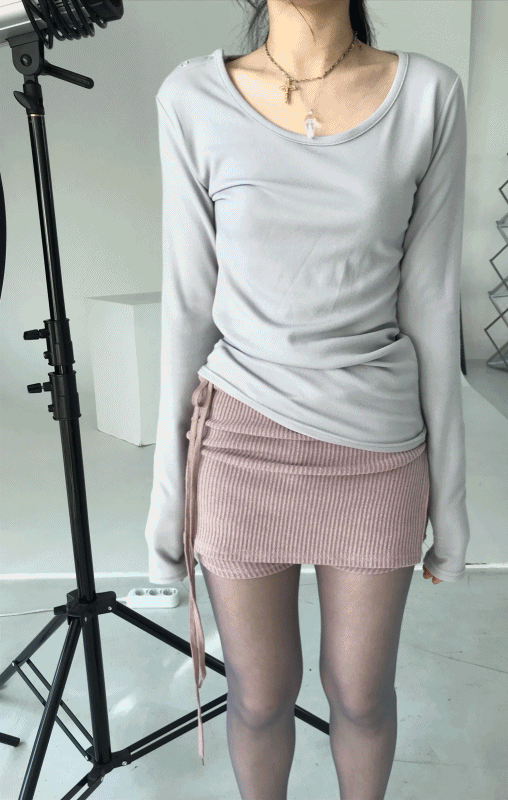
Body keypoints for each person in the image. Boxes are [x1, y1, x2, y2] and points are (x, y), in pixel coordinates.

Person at [145, 0, 470, 796]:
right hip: (238, 447)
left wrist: (451, 502)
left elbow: (431, 301)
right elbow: (187, 304)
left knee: (360, 696)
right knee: (258, 701)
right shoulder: (191, 97)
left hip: (375, 450)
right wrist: (166, 502)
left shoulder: (427, 96)